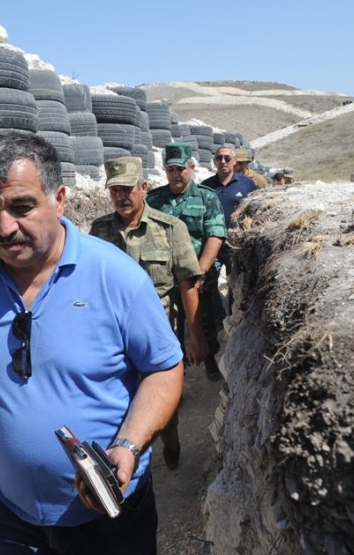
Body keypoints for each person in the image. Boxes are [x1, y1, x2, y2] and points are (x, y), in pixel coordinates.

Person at [0, 132, 184, 554]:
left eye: (21, 207)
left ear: (59, 199)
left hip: (106, 517)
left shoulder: (116, 278)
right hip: (2, 515)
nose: (4, 227)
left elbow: (163, 368)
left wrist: (127, 446)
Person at [89, 156, 207, 470]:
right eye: (114, 190)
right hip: (111, 337)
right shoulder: (99, 231)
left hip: (158, 337)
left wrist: (196, 336)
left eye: (127, 188)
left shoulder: (171, 229)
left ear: (143, 188)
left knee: (160, 404)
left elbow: (188, 285)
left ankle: (170, 438)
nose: (120, 196)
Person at [147, 142, 227, 381]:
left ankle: (210, 359)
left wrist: (200, 271)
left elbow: (215, 234)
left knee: (203, 321)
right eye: (171, 170)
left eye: (180, 169)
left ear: (191, 168)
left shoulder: (205, 198)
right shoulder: (153, 200)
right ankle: (175, 374)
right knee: (168, 327)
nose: (176, 175)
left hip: (197, 276)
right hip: (164, 278)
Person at [202, 145, 259, 318]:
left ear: (234, 162)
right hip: (212, 245)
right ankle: (217, 320)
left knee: (235, 283)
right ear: (214, 162)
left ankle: (235, 319)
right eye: (219, 158)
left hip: (236, 246)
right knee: (208, 285)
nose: (223, 161)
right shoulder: (205, 187)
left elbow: (256, 213)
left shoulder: (247, 184)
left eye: (227, 158)